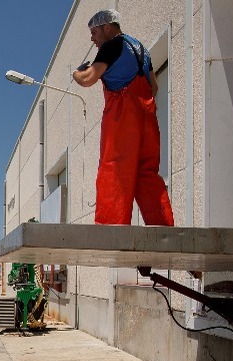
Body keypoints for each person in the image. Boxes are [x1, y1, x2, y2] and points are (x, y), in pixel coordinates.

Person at [71, 9, 174, 226]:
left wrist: (77, 74)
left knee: (115, 170)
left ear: (107, 28)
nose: (92, 38)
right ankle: (163, 232)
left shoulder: (112, 45)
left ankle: (110, 234)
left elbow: (89, 78)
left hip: (122, 118)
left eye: (94, 32)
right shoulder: (141, 50)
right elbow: (153, 87)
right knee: (147, 175)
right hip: (147, 118)